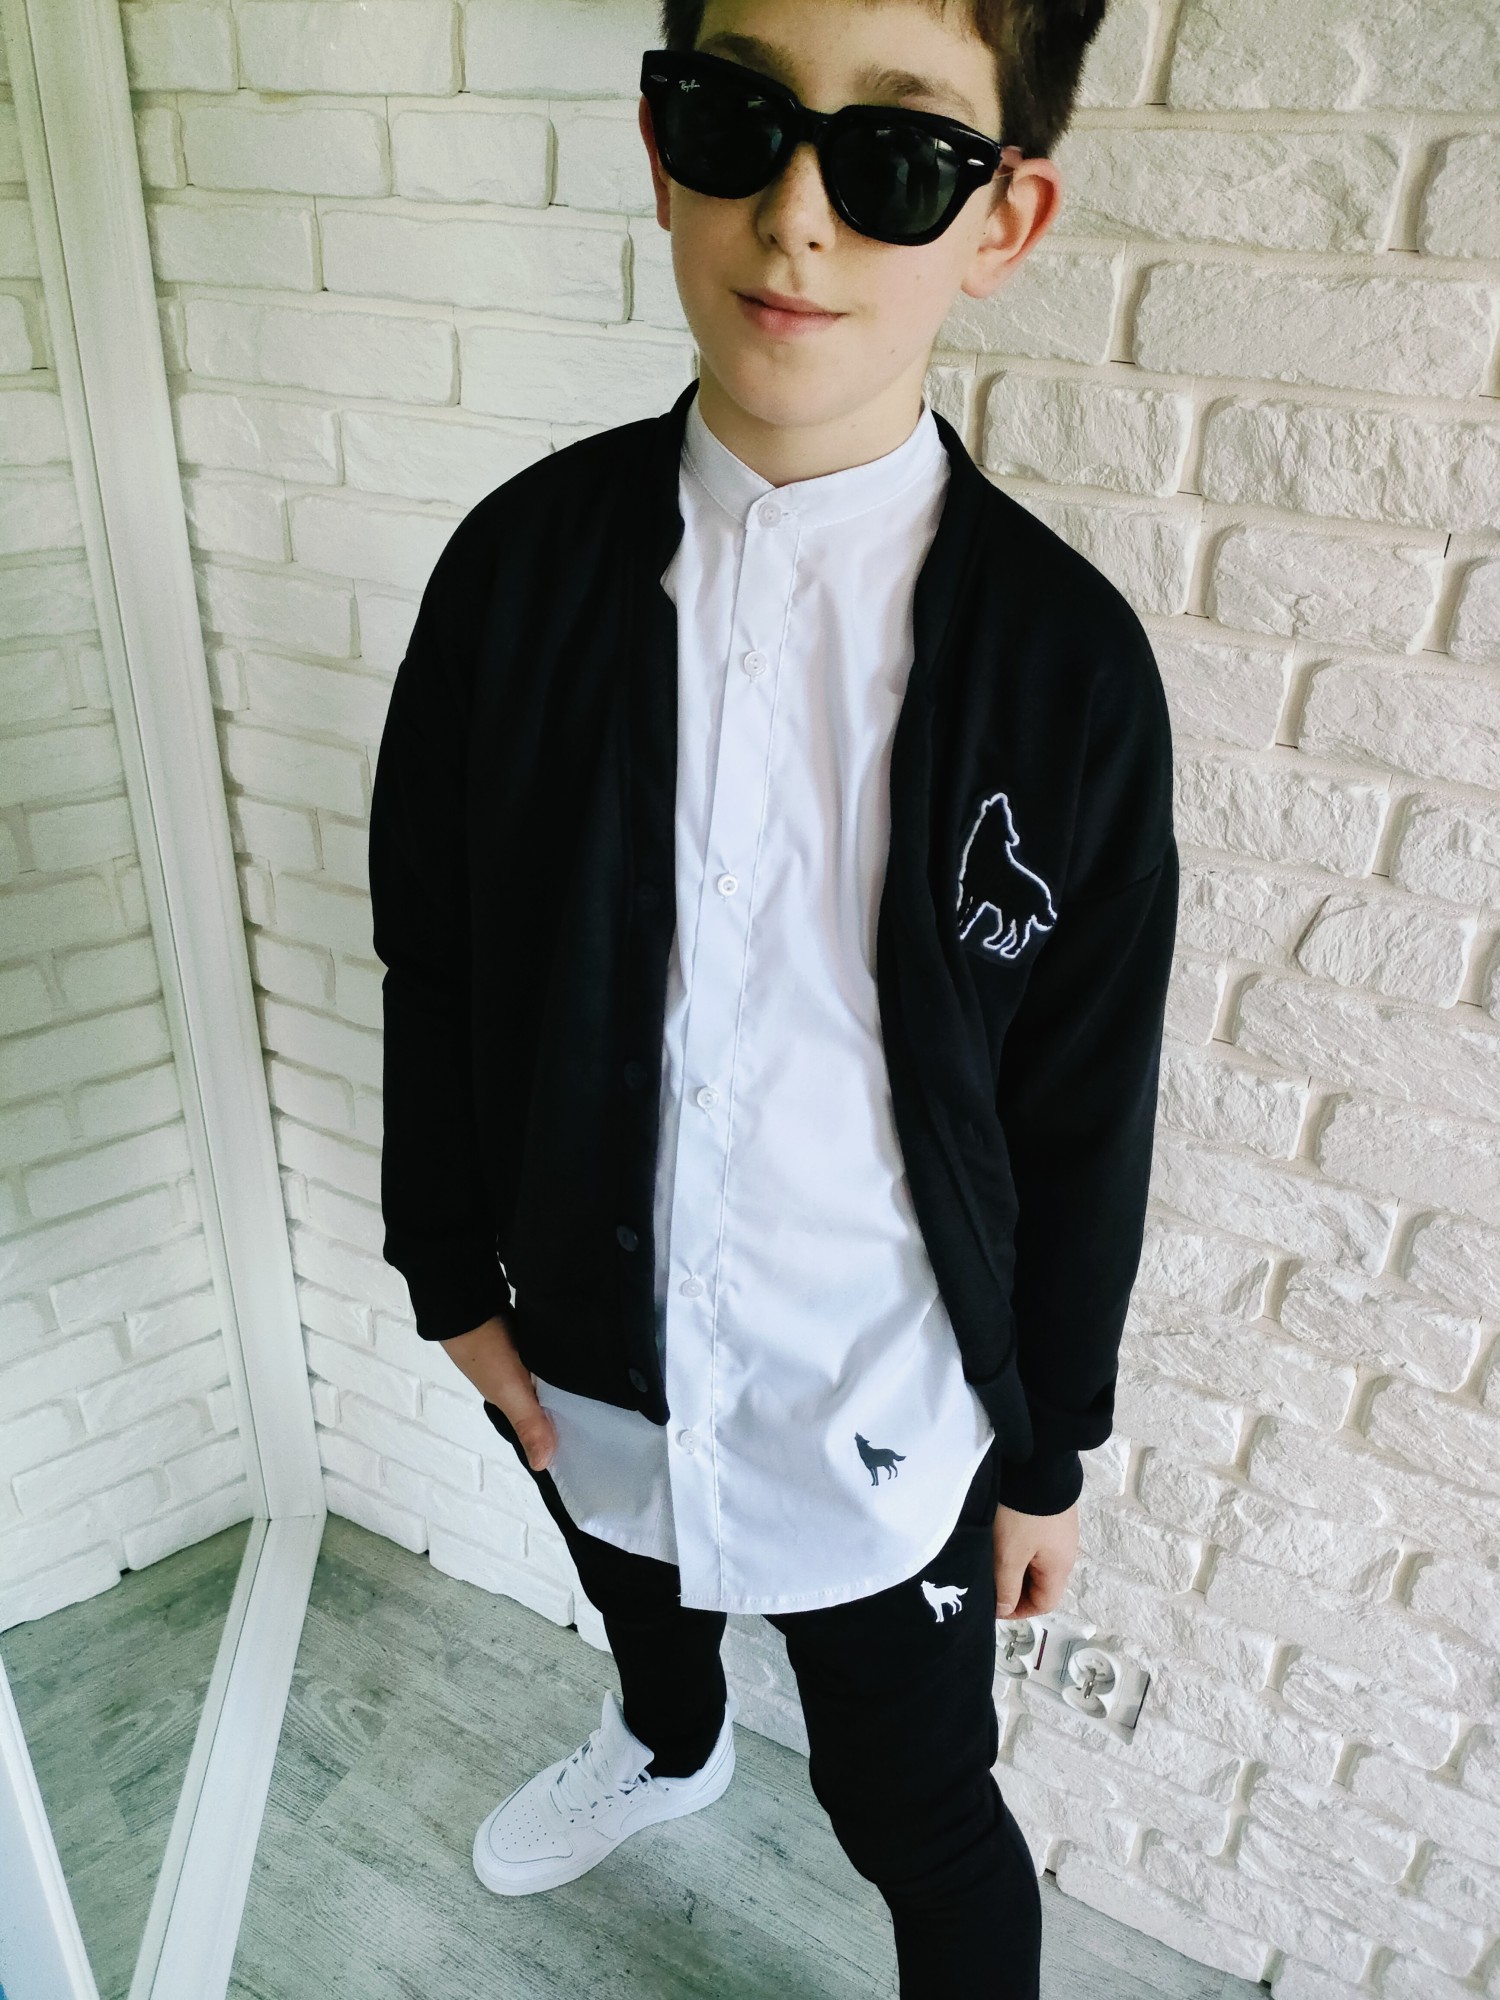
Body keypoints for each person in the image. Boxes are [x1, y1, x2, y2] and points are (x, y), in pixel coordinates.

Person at [366, 1, 1177, 1993]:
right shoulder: (513, 575)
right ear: (664, 149)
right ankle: (667, 1739)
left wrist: (1048, 1449)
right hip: (589, 1342)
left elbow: (1084, 1104)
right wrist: (449, 1275)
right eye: (741, 122)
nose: (798, 215)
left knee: (920, 1813)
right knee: (644, 1612)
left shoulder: (1065, 668)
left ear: (1003, 218)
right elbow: (436, 953)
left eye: (894, 159)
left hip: (881, 1400)